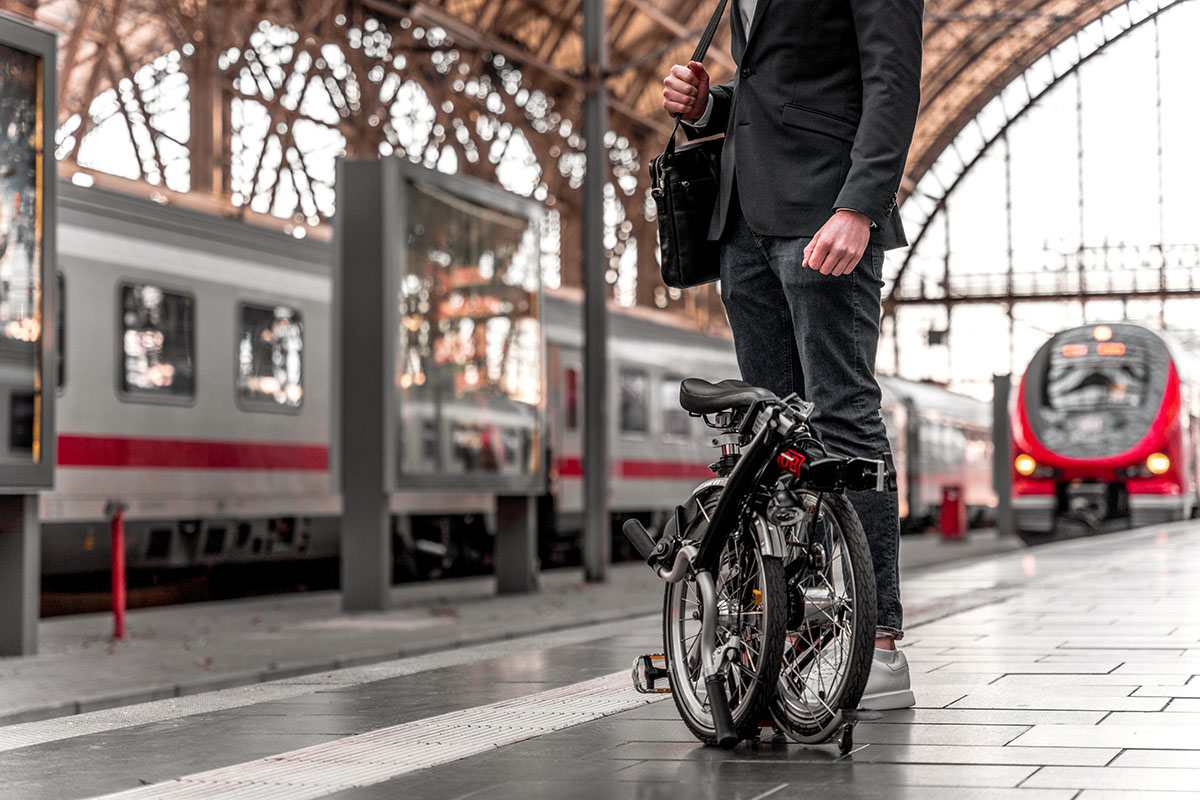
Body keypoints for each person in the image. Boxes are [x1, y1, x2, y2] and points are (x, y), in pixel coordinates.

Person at [661, 0, 923, 710]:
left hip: (826, 208)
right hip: (741, 223)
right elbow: (765, 91)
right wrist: (703, 105)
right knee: (770, 440)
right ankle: (787, 637)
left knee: (841, 413)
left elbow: (893, 82)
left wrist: (860, 206)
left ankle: (881, 644)